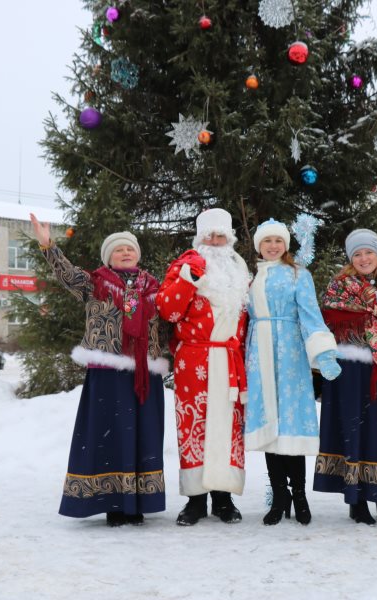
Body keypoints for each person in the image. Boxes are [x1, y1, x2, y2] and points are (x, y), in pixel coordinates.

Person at [30, 213, 169, 527]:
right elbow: (67, 275)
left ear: (137, 254)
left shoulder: (153, 287)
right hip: (108, 372)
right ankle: (113, 503)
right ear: (109, 257)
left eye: (129, 249)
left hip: (144, 373)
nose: (125, 253)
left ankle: (138, 503)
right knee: (110, 438)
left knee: (142, 438)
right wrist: (48, 245)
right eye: (118, 250)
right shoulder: (95, 283)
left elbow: (175, 309)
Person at [313, 229, 377, 525]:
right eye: (357, 254)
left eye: (368, 252)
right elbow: (328, 322)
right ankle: (356, 499)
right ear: (350, 259)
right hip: (349, 369)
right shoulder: (339, 286)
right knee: (353, 429)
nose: (363, 258)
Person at [156, 208, 250, 526]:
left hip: (230, 360)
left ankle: (223, 499)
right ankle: (195, 500)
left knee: (227, 427)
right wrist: (188, 280)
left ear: (229, 238)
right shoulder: (184, 266)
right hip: (194, 359)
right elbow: (167, 311)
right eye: (209, 235)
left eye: (220, 234)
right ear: (200, 239)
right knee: (193, 426)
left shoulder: (240, 271)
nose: (215, 240)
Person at [244, 219, 341, 526]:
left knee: (290, 426)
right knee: (270, 429)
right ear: (259, 245)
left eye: (278, 241)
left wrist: (323, 354)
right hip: (258, 354)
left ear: (286, 245)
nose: (273, 246)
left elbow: (310, 314)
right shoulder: (250, 279)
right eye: (267, 241)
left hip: (289, 353)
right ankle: (279, 496)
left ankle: (299, 494)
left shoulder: (299, 274)